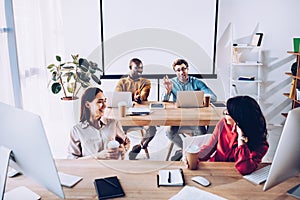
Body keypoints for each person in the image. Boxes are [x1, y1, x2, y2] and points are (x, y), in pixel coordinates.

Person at [186, 95, 269, 175]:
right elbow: (209, 149)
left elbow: (244, 168)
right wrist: (195, 157)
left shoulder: (261, 144)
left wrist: (241, 140)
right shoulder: (223, 123)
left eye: (228, 113)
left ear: (239, 118)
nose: (224, 113)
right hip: (215, 172)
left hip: (238, 179)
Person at [162, 58, 217, 161]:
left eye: (183, 69)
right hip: (178, 119)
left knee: (202, 133)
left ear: (187, 69)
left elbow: (213, 97)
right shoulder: (172, 83)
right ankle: (186, 149)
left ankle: (196, 153)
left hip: (195, 118)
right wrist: (168, 91)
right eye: (178, 70)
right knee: (168, 132)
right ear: (175, 72)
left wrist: (200, 97)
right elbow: (164, 101)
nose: (181, 72)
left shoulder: (196, 82)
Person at [67, 87, 129, 159]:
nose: (105, 106)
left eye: (105, 101)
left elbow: (126, 142)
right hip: (91, 169)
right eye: (99, 102)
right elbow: (72, 160)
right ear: (87, 105)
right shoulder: (77, 130)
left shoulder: (113, 123)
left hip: (112, 167)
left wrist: (124, 149)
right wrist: (99, 156)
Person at [115, 58, 157, 160]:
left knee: (152, 129)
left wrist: (139, 98)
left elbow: (144, 96)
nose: (139, 71)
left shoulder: (145, 82)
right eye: (136, 68)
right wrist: (130, 99)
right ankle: (121, 154)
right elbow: (117, 97)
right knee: (116, 129)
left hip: (140, 115)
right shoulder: (122, 82)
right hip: (126, 116)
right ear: (130, 68)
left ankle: (141, 146)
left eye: (141, 68)